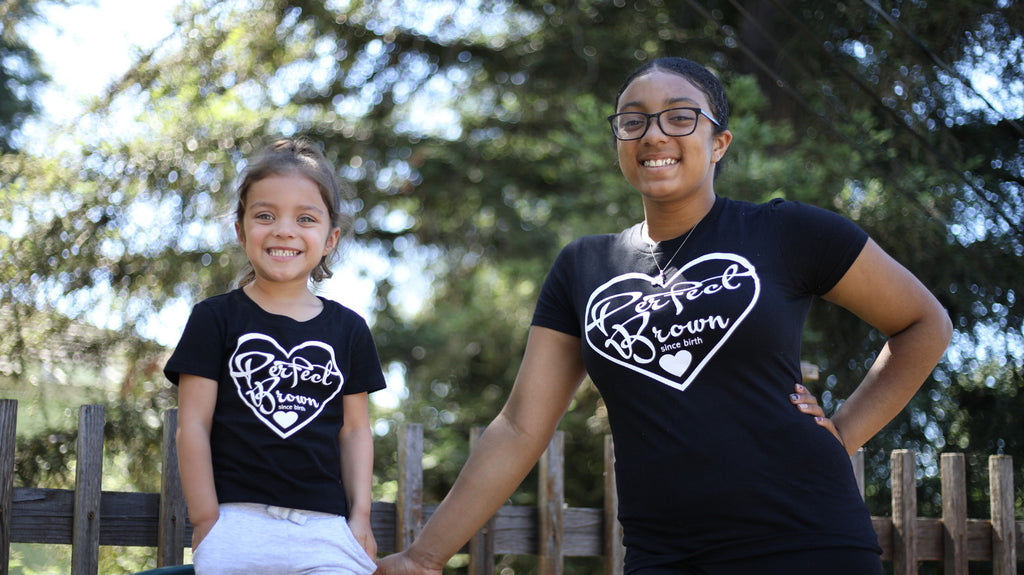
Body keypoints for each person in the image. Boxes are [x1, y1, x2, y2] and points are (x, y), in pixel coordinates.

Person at [375, 57, 952, 575]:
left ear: (719, 142)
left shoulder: (788, 232)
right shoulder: (584, 267)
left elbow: (924, 324)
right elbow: (522, 426)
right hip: (665, 557)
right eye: (634, 120)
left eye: (680, 117)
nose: (654, 134)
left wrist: (843, 433)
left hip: (809, 542)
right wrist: (424, 557)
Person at [164, 139, 384, 575]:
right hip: (235, 524)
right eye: (265, 216)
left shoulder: (350, 329)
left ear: (329, 239)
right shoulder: (213, 318)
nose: (284, 230)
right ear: (242, 231)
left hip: (326, 531)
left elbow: (355, 431)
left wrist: (359, 518)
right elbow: (192, 425)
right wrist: (207, 518)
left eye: (305, 218)